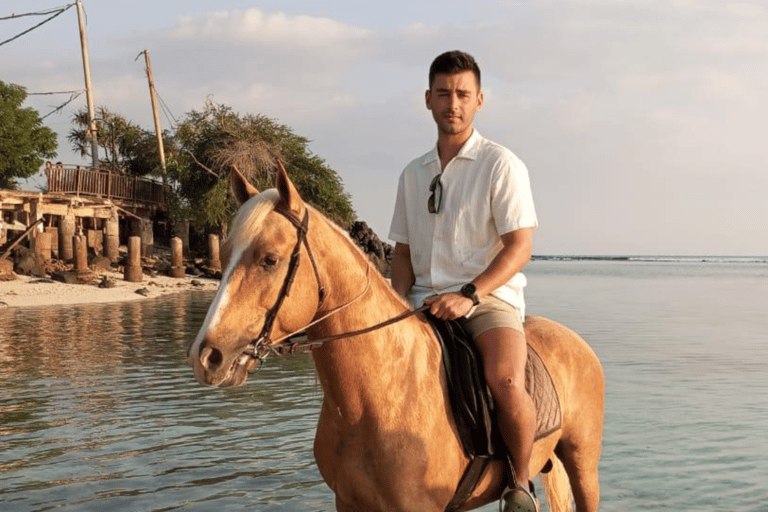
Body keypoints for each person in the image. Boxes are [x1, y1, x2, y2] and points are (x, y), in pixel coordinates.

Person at [388, 50, 539, 512]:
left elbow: (520, 247)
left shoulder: (501, 164)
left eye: (462, 94)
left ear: (478, 101)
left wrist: (469, 294)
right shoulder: (413, 173)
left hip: (487, 302)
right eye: (443, 94)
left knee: (506, 379)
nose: (452, 103)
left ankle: (519, 482)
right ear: (427, 100)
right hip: (420, 301)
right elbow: (403, 251)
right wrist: (395, 304)